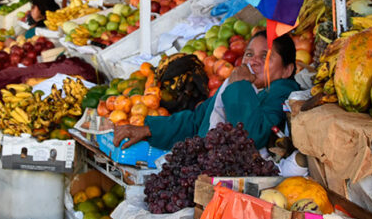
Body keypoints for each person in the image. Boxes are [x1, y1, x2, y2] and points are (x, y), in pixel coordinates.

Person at [114, 31, 299, 151]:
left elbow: (251, 136)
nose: (253, 61)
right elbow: (196, 121)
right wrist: (148, 129)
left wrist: (240, 85)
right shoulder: (236, 85)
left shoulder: (283, 94)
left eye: (265, 57)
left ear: (287, 70)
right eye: (249, 54)